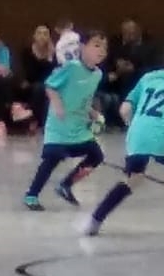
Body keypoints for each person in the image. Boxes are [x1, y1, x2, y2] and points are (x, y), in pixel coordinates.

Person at [84, 36, 164, 237]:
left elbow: (125, 109)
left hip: (137, 133)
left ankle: (95, 220)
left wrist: (137, 126)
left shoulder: (148, 77)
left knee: (133, 178)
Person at [23, 31, 108, 211]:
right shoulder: (72, 67)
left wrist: (93, 113)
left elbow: (85, 99)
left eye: (104, 47)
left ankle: (66, 185)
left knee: (96, 155)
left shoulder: (98, 74)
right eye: (96, 45)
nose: (101, 50)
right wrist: (57, 104)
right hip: (59, 125)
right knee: (52, 158)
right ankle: (31, 195)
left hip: (78, 127)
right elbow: (50, 85)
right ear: (82, 47)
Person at [22, 26, 57, 131]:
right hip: (31, 85)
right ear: (34, 36)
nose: (42, 36)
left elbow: (54, 73)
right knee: (40, 88)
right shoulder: (28, 51)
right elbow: (31, 75)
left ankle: (46, 123)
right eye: (39, 33)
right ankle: (35, 120)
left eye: (45, 34)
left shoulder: (53, 53)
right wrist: (45, 61)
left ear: (49, 37)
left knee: (48, 90)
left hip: (49, 85)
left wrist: (50, 57)